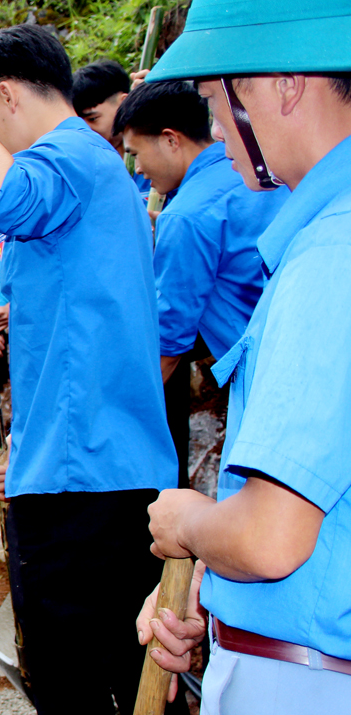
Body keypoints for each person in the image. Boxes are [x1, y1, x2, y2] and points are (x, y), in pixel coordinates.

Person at [0, 17, 199, 715]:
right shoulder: (95, 167)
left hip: (81, 489)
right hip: (107, 470)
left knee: (73, 701)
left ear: (3, 95)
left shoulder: (65, 159)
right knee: (137, 682)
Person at [132, 0, 351, 715]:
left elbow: (268, 536)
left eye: (222, 103)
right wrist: (209, 598)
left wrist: (188, 522)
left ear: (284, 87)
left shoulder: (328, 258)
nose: (217, 133)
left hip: (305, 713)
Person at [113, 80, 287, 487]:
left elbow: (168, 347)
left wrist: (118, 414)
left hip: (264, 379)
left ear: (171, 140)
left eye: (137, 153)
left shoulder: (186, 217)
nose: (137, 170)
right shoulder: (253, 174)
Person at [74, 60, 153, 196]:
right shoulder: (87, 168)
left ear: (123, 103)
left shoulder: (157, 156)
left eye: (93, 119)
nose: (86, 129)